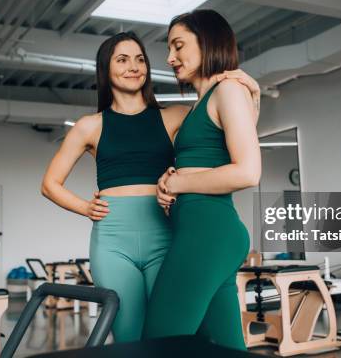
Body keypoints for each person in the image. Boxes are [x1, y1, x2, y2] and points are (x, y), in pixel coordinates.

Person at [41, 31, 260, 342]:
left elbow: (231, 138)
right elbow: (50, 184)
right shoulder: (90, 125)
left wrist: (249, 95)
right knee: (130, 337)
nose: (134, 66)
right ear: (106, 69)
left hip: (165, 233)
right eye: (122, 59)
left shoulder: (176, 117)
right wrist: (84, 207)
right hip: (113, 241)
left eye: (140, 59)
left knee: (171, 336)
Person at [142, 10, 261, 349]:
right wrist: (169, 181)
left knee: (159, 344)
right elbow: (212, 158)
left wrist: (179, 184)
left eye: (178, 46)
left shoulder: (227, 90)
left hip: (208, 233)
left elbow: (248, 171)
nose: (170, 57)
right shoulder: (200, 104)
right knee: (223, 348)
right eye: (169, 48)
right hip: (203, 233)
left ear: (207, 42)